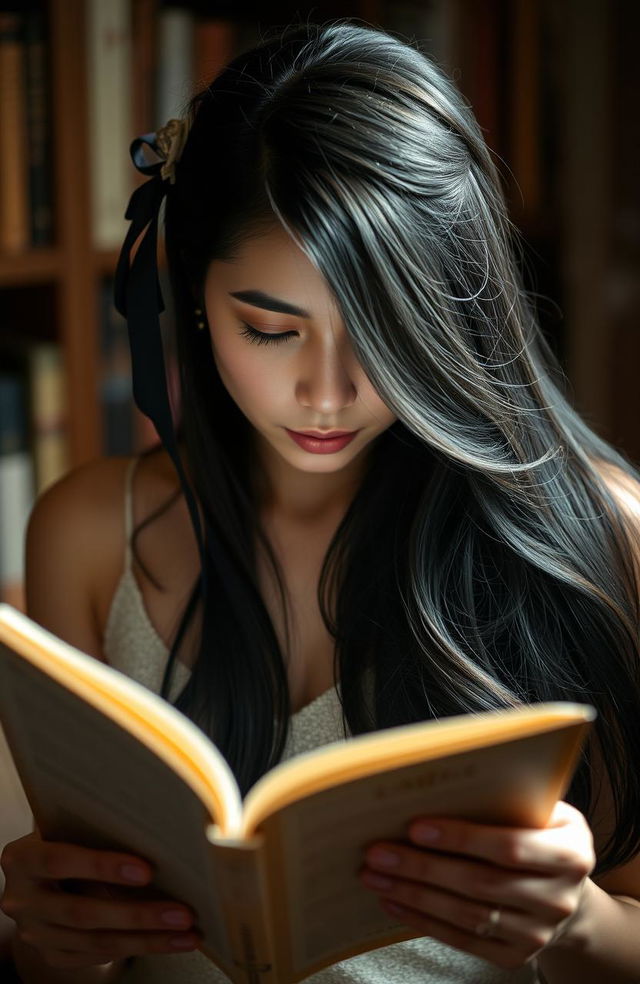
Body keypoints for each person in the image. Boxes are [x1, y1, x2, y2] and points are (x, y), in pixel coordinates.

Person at [2, 16, 640, 984]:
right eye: (270, 329)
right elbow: (82, 940)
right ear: (197, 298)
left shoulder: (600, 538)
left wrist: (577, 925)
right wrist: (53, 945)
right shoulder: (93, 540)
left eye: (384, 331)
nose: (328, 393)